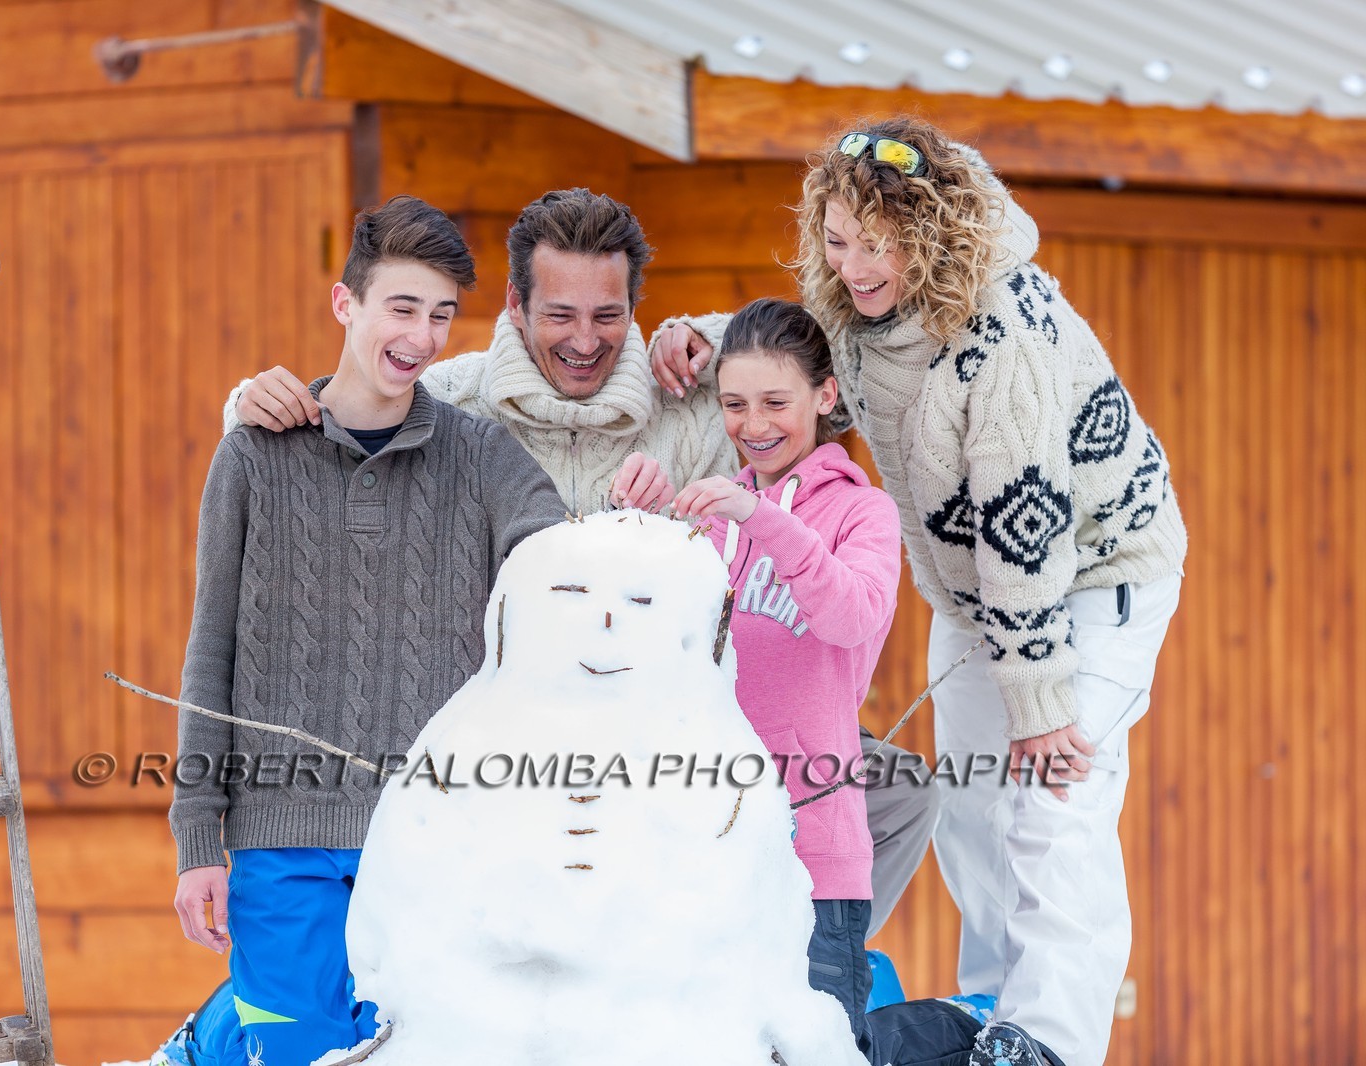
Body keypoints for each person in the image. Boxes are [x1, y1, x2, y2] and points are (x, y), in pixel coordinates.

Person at [221, 187, 941, 939]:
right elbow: (343, 419)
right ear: (515, 306)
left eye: (608, 315)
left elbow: (833, 380)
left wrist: (713, 335)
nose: (585, 341)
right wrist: (256, 400)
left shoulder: (689, 398)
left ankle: (797, 972)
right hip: (509, 730)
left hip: (669, 724)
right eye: (560, 315)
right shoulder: (453, 404)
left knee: (897, 792)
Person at [654, 119, 1187, 1066]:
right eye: (838, 239)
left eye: (878, 243)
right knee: (978, 806)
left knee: (1051, 798)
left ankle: (1054, 1041)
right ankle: (996, 1009)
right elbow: (798, 347)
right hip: (977, 591)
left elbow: (1025, 523)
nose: (855, 265)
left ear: (929, 232)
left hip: (1089, 577)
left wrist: (1039, 701)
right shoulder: (865, 313)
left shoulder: (1003, 333)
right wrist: (705, 335)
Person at [169, 194, 565, 1066]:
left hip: (430, 845)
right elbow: (212, 652)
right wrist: (199, 840)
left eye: (440, 315)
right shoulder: (253, 457)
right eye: (402, 307)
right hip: (279, 844)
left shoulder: (482, 457)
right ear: (345, 304)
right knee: (299, 1052)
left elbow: (566, 560)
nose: (421, 336)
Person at [673, 297, 988, 1066]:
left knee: (816, 1055)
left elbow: (853, 616)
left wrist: (765, 521)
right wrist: (641, 513)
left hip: (816, 859)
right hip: (701, 854)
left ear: (825, 397)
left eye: (776, 402)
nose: (754, 425)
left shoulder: (862, 512)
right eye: (735, 404)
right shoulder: (713, 519)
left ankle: (960, 1031)